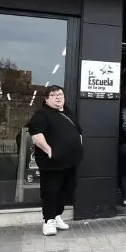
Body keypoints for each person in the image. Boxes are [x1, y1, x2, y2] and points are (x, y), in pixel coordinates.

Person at [27, 85, 84, 237]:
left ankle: (57, 216)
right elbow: (36, 135)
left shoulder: (68, 112)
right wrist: (50, 151)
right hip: (52, 163)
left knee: (66, 191)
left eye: (60, 94)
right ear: (47, 99)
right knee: (50, 191)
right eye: (54, 95)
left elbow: (78, 131)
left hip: (70, 162)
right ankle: (48, 221)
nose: (58, 97)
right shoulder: (42, 114)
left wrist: (78, 146)